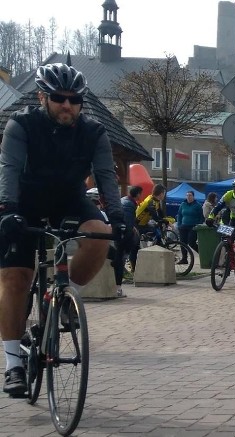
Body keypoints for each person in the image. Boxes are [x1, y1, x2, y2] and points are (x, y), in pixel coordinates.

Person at [0, 62, 124, 395]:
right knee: (15, 278)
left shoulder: (94, 132)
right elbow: (8, 169)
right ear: (43, 97)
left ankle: (66, 299)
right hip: (24, 201)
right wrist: (8, 210)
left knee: (101, 234)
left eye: (74, 99)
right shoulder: (21, 125)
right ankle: (13, 363)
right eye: (58, 97)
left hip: (69, 198)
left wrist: (119, 217)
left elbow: (106, 177)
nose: (67, 105)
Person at [120, 185, 143, 286]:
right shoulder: (129, 205)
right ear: (137, 194)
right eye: (140, 194)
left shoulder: (124, 200)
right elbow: (128, 222)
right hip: (124, 233)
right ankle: (120, 277)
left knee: (121, 255)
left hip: (119, 230)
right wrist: (132, 232)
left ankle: (122, 274)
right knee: (123, 255)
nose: (141, 196)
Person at [176, 190, 204, 264]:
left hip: (193, 226)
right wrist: (179, 224)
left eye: (190, 195)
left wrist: (198, 225)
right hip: (183, 226)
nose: (189, 197)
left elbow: (201, 217)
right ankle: (184, 259)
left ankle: (203, 255)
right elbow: (179, 215)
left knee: (191, 242)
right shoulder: (183, 204)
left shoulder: (197, 205)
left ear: (193, 196)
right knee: (183, 243)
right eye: (187, 195)